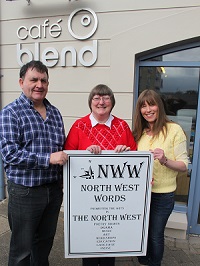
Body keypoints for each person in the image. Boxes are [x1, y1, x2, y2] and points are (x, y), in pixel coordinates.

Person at [0, 60, 68, 266]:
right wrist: (48, 159)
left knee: (44, 244)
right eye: (34, 79)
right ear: (21, 82)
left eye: (43, 80)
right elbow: (9, 154)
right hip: (26, 192)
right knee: (22, 249)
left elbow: (63, 148)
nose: (39, 84)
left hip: (53, 191)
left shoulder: (55, 113)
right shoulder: (10, 113)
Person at [64, 84, 137, 266]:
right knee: (89, 241)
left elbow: (136, 158)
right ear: (90, 102)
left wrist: (126, 151)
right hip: (87, 197)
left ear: (112, 102)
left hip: (114, 198)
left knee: (109, 246)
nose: (101, 102)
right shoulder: (79, 125)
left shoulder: (122, 126)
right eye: (96, 98)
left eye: (106, 98)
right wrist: (84, 154)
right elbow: (67, 154)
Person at [132, 89, 188, 266]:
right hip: (141, 194)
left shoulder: (174, 130)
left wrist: (164, 160)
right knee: (142, 231)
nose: (148, 109)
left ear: (159, 106)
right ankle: (142, 260)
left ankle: (154, 263)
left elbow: (183, 165)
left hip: (163, 195)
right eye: (143, 106)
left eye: (152, 104)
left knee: (155, 234)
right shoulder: (138, 133)